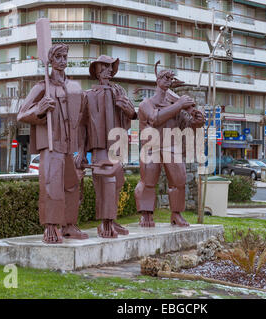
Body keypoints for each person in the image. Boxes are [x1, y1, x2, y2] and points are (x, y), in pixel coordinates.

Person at [17, 43, 88, 244]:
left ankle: (69, 225)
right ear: (50, 60)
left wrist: (82, 148)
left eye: (65, 57)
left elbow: (81, 119)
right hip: (51, 145)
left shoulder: (75, 87)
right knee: (51, 186)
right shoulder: (41, 87)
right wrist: (39, 108)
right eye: (58, 57)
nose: (63, 61)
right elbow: (22, 114)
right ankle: (50, 226)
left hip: (68, 146)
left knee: (72, 186)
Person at [134, 64, 205, 227]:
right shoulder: (146, 103)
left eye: (171, 79)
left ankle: (176, 214)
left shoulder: (174, 105)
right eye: (165, 77)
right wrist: (179, 105)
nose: (169, 81)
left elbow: (186, 125)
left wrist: (197, 121)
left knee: (179, 181)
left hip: (171, 147)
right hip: (151, 147)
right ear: (158, 80)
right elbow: (155, 118)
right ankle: (146, 214)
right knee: (148, 182)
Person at [76, 55, 137, 238]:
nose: (109, 70)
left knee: (117, 183)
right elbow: (82, 125)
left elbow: (132, 116)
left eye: (111, 67)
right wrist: (81, 151)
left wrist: (128, 109)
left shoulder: (119, 91)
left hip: (117, 145)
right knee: (105, 183)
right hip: (99, 146)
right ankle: (105, 223)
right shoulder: (88, 95)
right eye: (105, 66)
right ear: (96, 70)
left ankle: (111, 219)